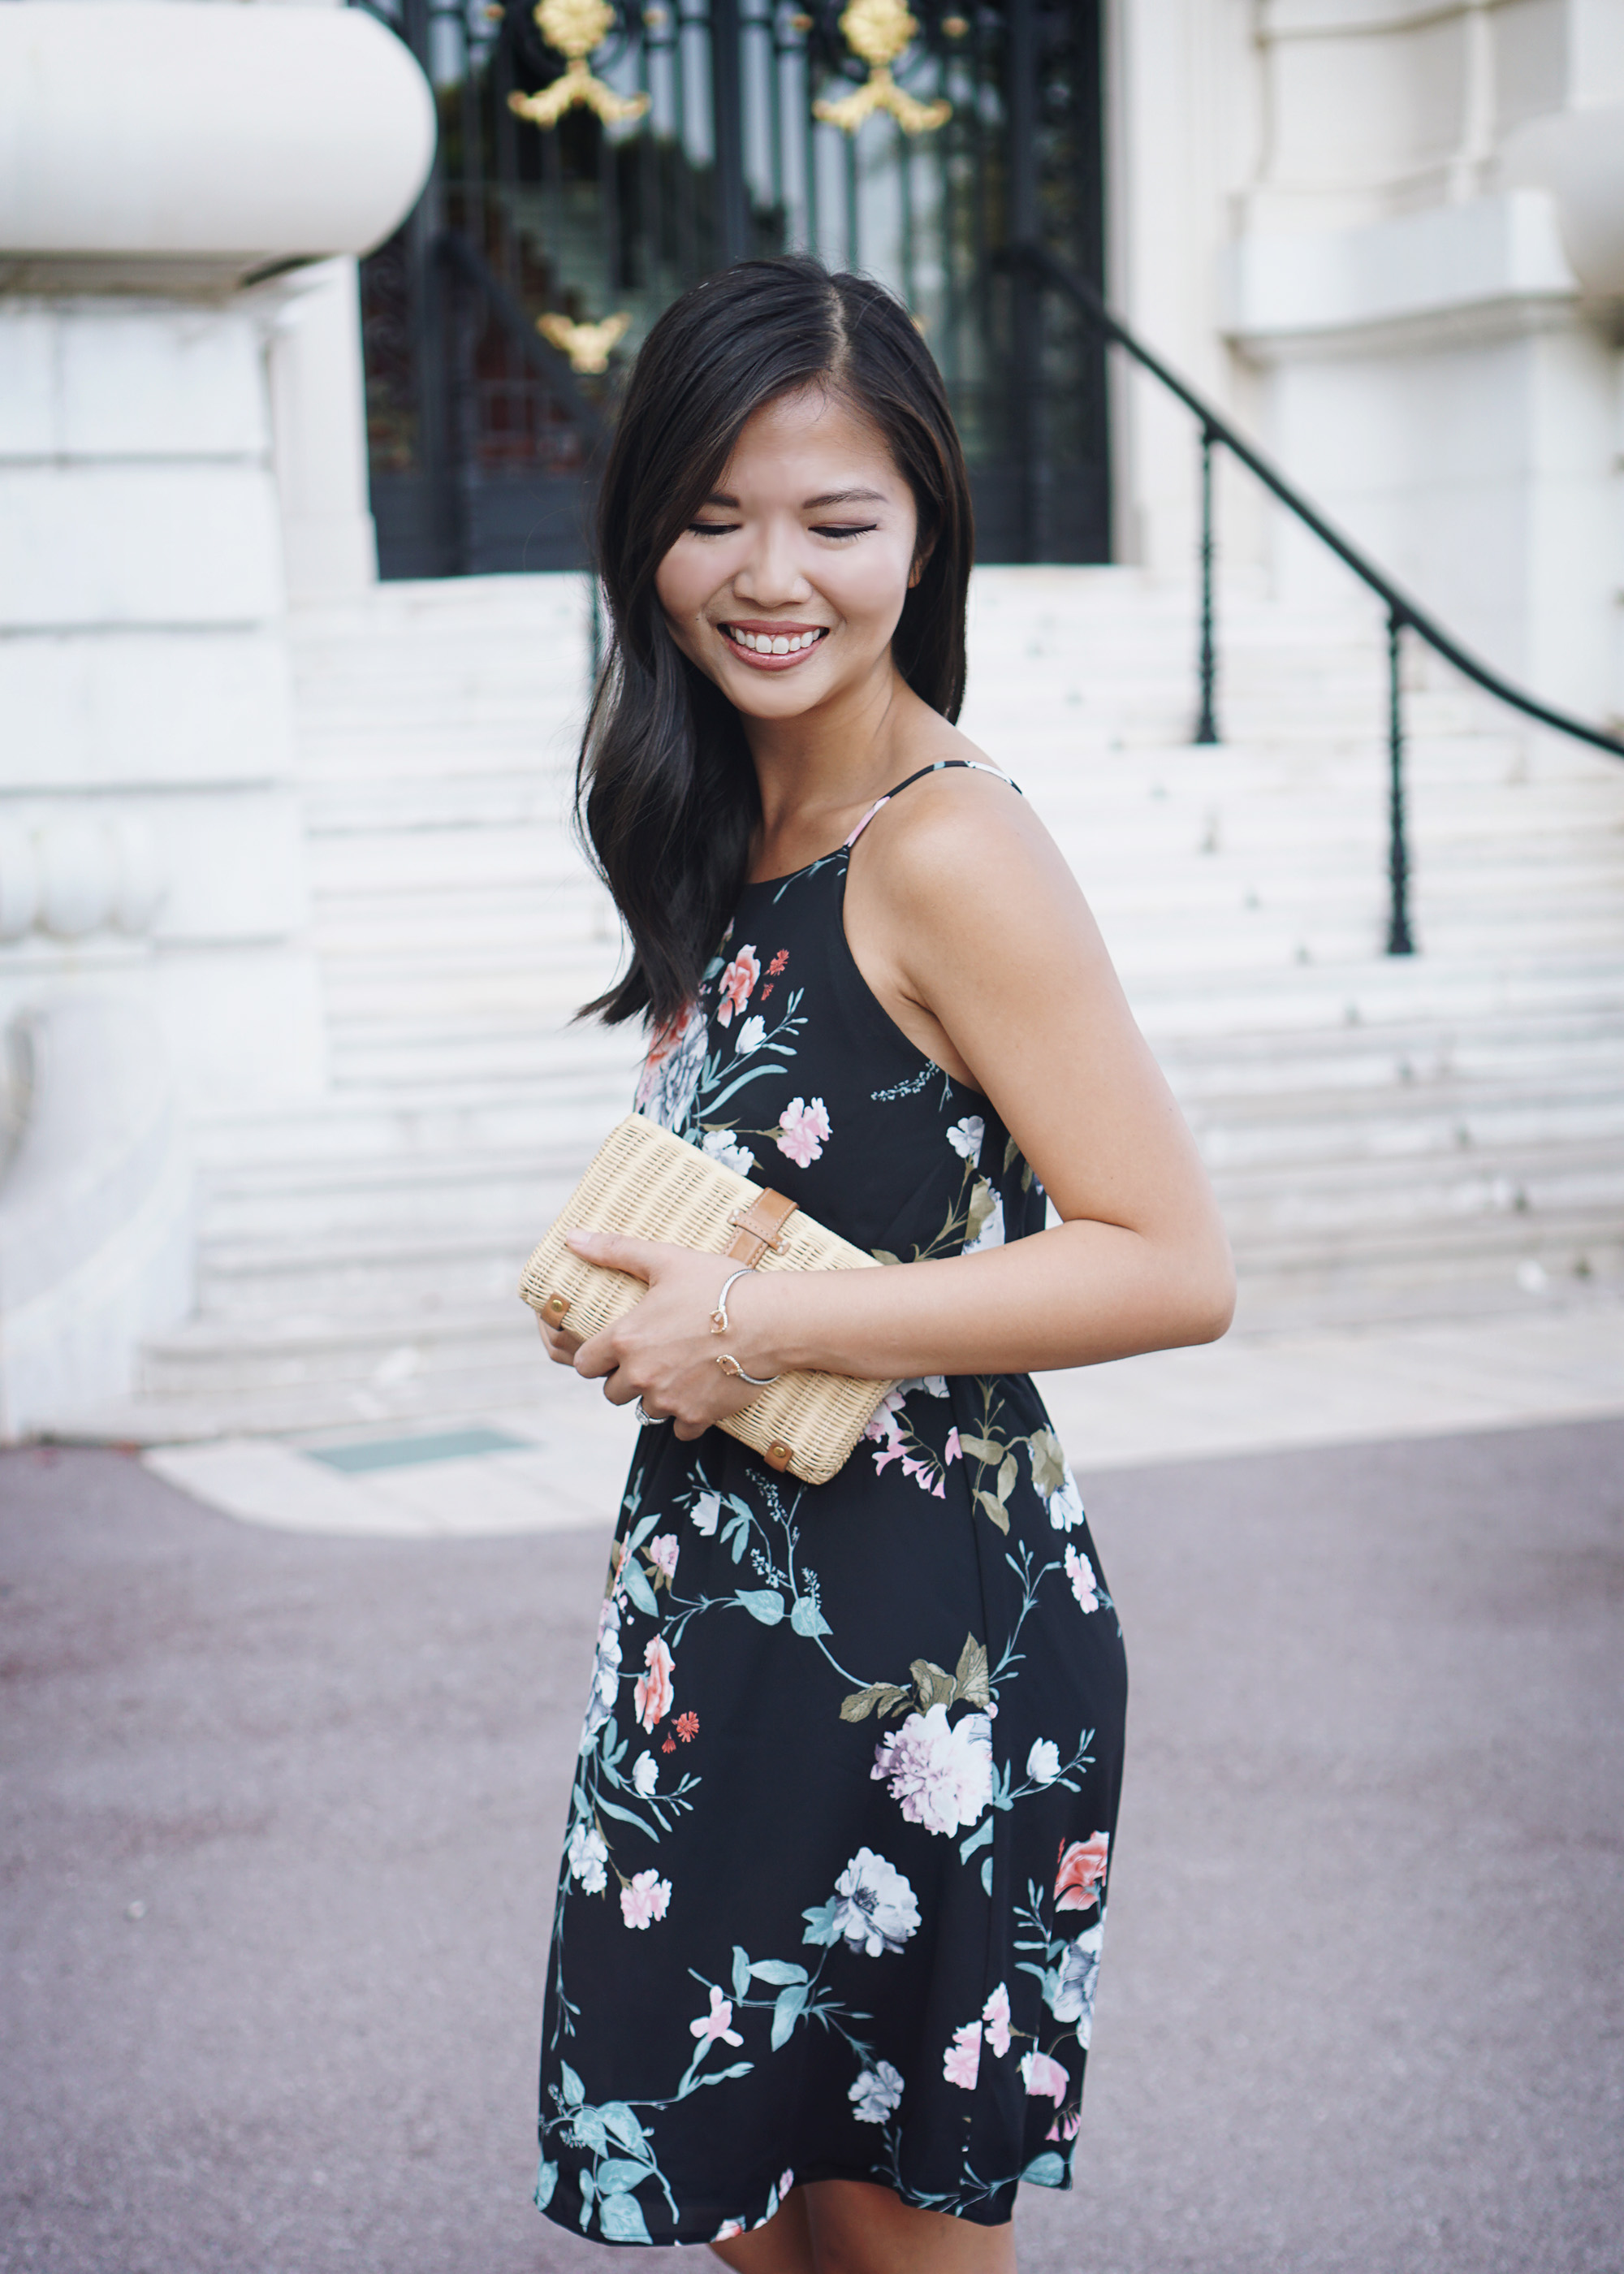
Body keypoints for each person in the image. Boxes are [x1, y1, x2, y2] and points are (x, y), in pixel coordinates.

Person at [533, 255, 1233, 2272]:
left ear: (924, 533)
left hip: (916, 1646)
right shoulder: (739, 814)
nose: (773, 574)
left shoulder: (947, 842)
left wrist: (747, 1318)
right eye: (712, 515)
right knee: (758, 2235)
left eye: (838, 522)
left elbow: (1170, 1261)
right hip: (731, 1615)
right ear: (642, 523)